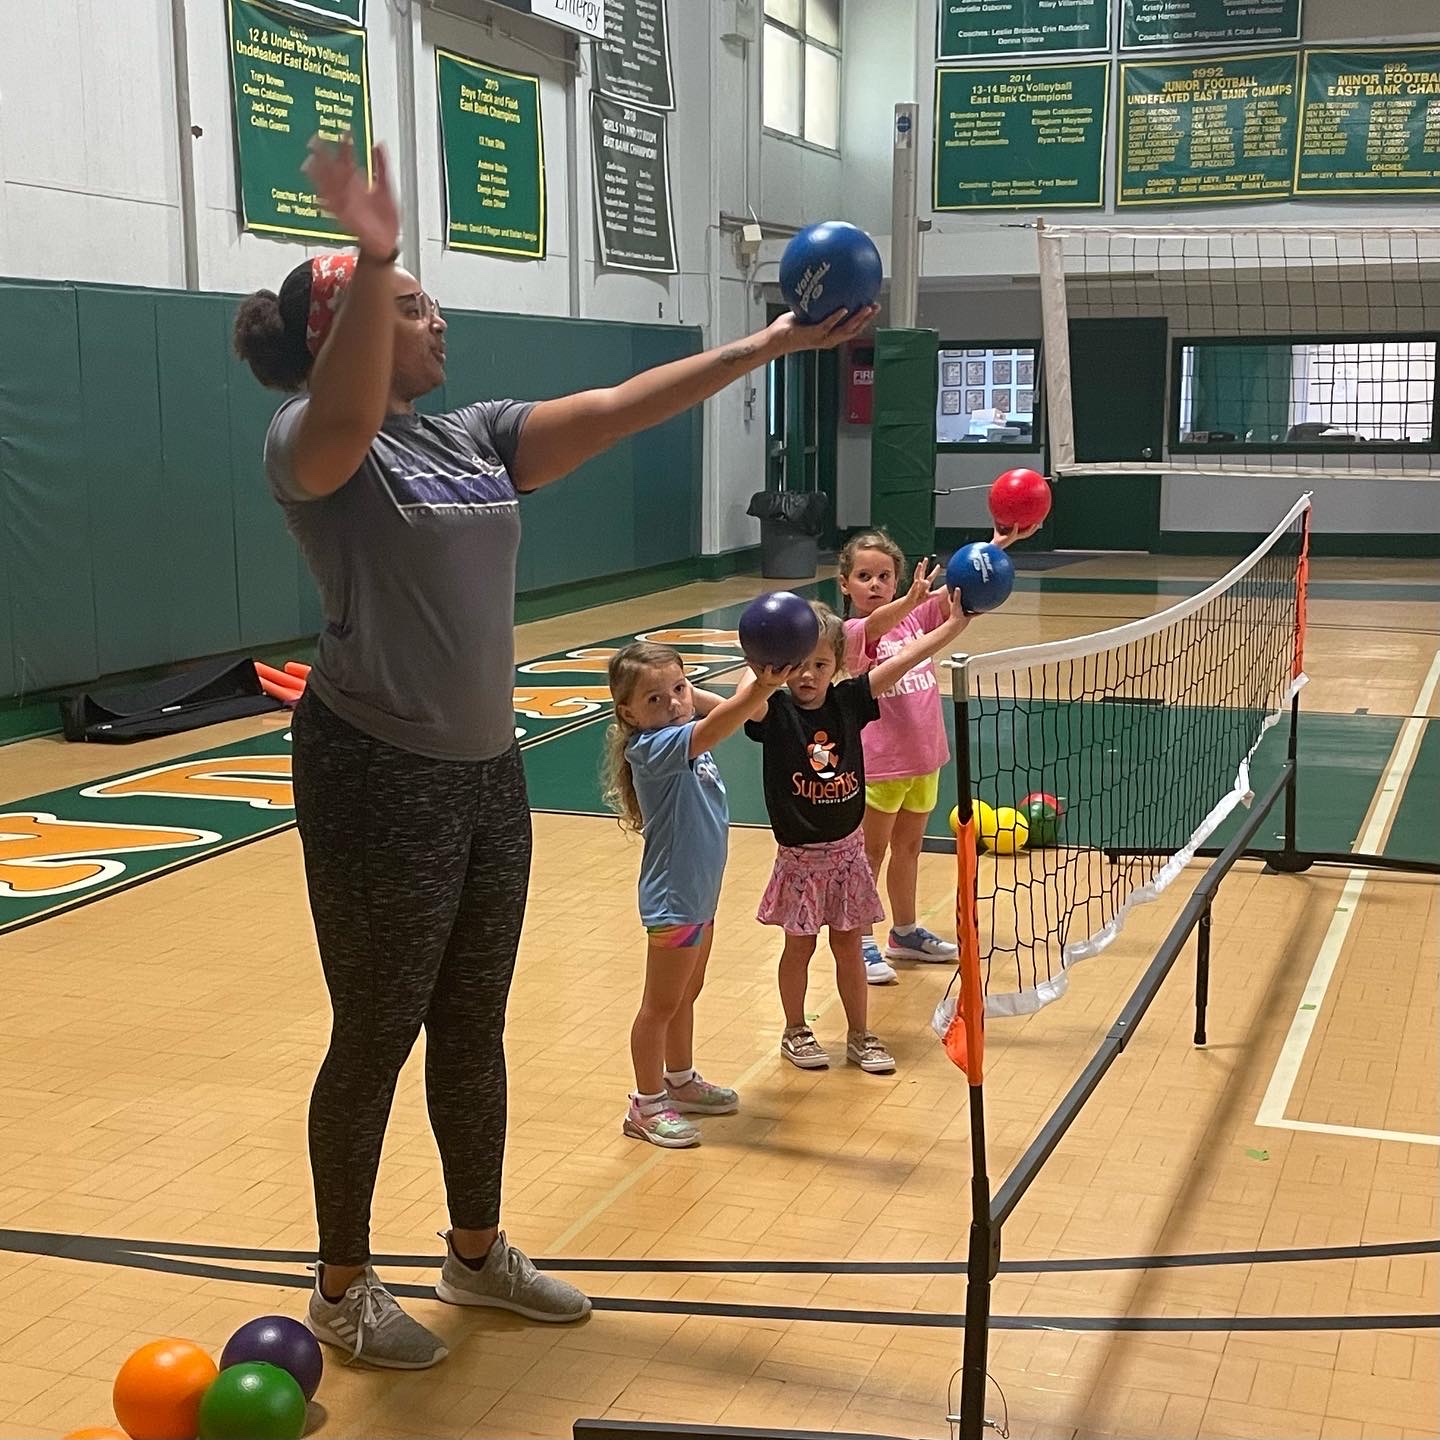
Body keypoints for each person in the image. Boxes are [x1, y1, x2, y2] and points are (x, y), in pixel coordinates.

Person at [230, 134, 875, 1368]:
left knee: (473, 1021)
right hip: (377, 770)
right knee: (377, 1028)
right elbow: (352, 404)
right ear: (339, 329)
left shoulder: (469, 438)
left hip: (485, 773)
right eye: (409, 306)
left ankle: (475, 1257)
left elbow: (620, 410)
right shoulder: (315, 446)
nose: (437, 320)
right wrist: (375, 257)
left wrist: (771, 346)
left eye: (423, 299)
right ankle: (340, 1287)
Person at [741, 602, 971, 1074]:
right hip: (799, 862)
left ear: (837, 665)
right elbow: (733, 704)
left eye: (820, 665)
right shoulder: (774, 709)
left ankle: (860, 1035)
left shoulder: (849, 700)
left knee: (849, 947)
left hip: (848, 857)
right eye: (798, 665)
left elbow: (903, 660)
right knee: (799, 948)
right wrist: (763, 668)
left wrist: (953, 625)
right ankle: (795, 1030)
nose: (808, 675)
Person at [603, 643, 793, 1148]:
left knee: (687, 994)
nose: (671, 703)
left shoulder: (679, 724)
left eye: (678, 689)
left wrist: (755, 684)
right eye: (653, 699)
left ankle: (680, 1080)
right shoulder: (657, 746)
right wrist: (766, 680)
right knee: (659, 1006)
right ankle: (645, 1106)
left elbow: (745, 710)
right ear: (628, 713)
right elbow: (726, 719)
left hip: (699, 897)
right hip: (674, 903)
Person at [838, 526, 1038, 985]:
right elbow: (877, 625)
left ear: (897, 579)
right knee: (870, 854)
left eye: (884, 576)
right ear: (845, 584)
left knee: (909, 849)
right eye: (864, 576)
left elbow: (957, 589)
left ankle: (904, 933)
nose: (874, 584)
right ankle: (862, 939)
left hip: (924, 757)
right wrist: (908, 601)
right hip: (879, 764)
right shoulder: (851, 633)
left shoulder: (912, 621)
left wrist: (997, 545)